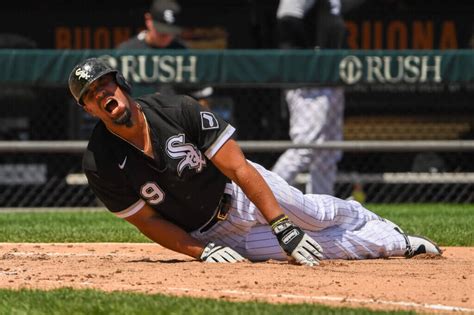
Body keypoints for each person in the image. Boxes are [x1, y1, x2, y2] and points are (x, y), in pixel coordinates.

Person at [68, 58, 442, 265]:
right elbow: (147, 221)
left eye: (105, 84)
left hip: (242, 192)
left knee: (313, 216)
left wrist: (281, 222)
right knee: (312, 249)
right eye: (91, 94)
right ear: (86, 107)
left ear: (121, 84)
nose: (102, 94)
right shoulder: (99, 163)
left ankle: (365, 217)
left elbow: (238, 167)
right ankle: (396, 243)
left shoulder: (175, 108)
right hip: (209, 232)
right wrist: (201, 251)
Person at [271, 0, 346, 195]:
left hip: (330, 78)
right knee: (304, 147)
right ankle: (262, 199)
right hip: (307, 80)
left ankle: (322, 208)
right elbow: (286, 18)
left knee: (328, 151)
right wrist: (309, 57)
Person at [116, 0, 187, 50]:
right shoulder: (127, 51)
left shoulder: (182, 51)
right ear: (148, 20)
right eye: (161, 31)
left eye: (171, 32)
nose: (166, 36)